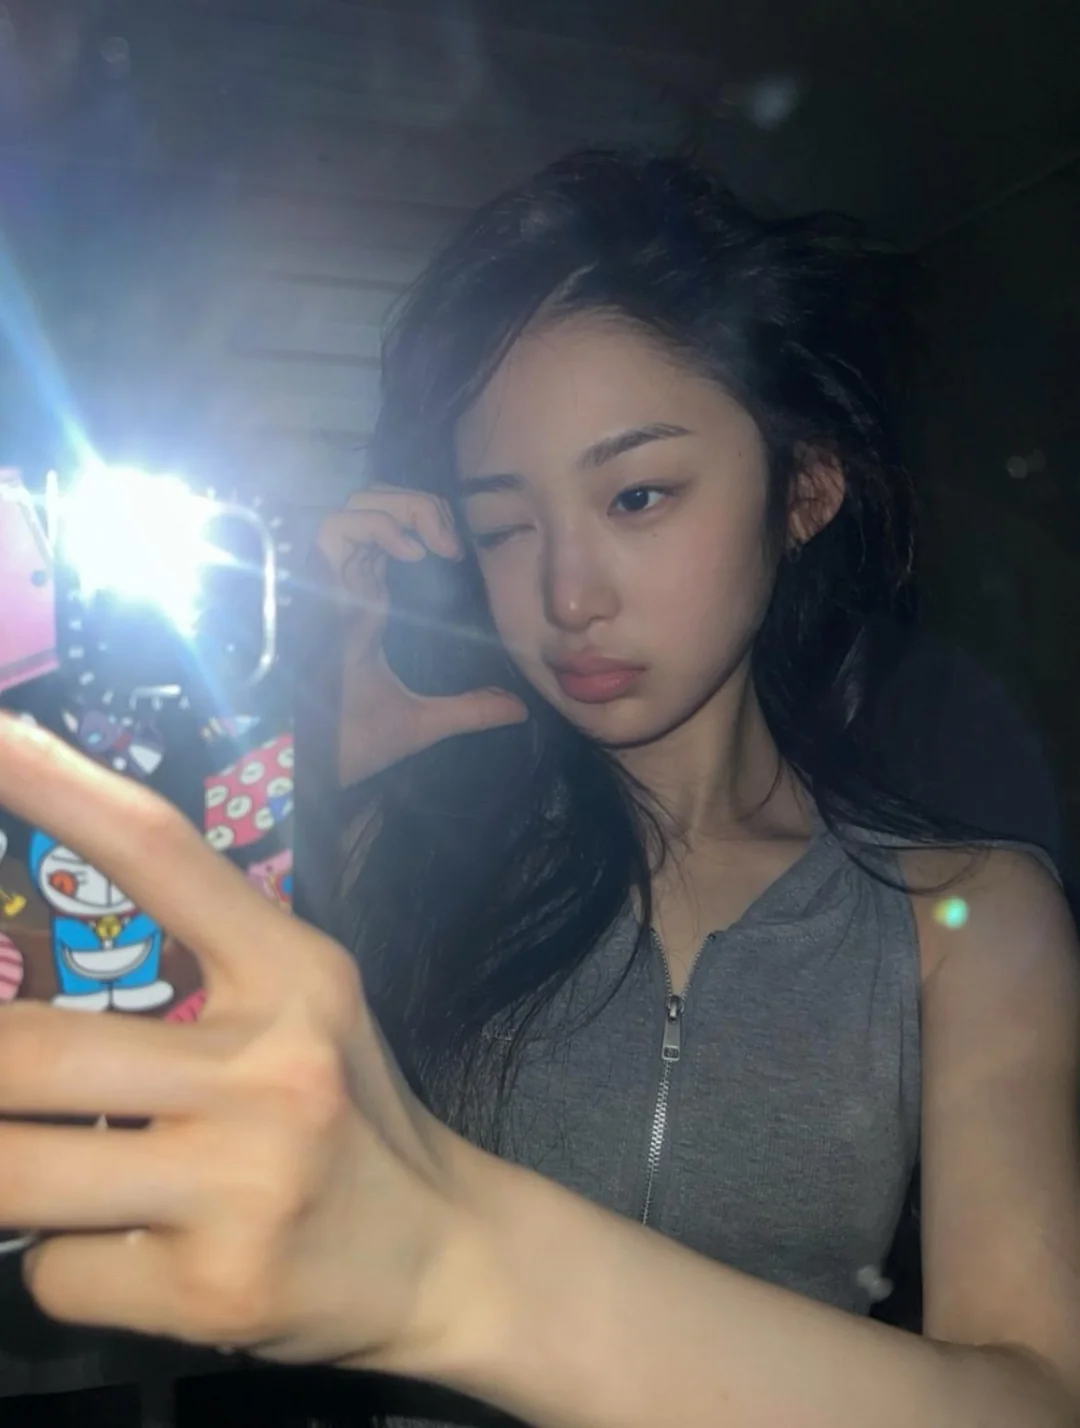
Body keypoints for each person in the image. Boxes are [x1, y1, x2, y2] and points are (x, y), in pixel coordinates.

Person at [0, 149, 1077, 1428]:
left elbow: (1036, 1399)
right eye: (505, 525)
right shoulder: (397, 843)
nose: (567, 595)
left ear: (804, 491)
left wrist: (449, 1263)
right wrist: (289, 787)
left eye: (638, 494)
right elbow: (95, 1129)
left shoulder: (968, 917)